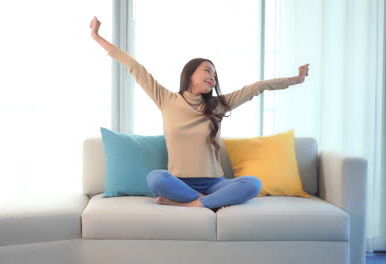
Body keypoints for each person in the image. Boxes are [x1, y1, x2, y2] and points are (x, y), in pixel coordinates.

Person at [90, 16, 309, 210]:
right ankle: (205, 202)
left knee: (252, 183)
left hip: (215, 184)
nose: (212, 77)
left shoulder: (218, 104)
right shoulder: (166, 99)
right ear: (189, 73)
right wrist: (97, 37)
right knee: (155, 178)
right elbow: (134, 66)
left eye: (214, 74)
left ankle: (192, 203)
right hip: (178, 183)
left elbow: (257, 87)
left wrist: (295, 80)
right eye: (207, 70)